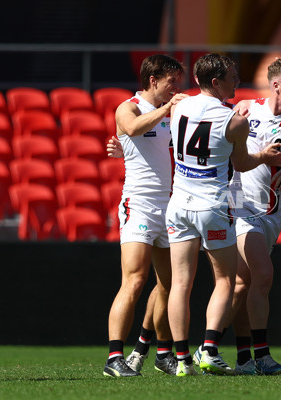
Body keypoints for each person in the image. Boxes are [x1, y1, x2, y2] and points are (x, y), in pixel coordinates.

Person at [193, 55, 281, 375]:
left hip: (272, 212)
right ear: (276, 85)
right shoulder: (245, 109)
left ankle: (228, 352)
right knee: (263, 273)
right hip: (239, 205)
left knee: (242, 284)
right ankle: (257, 354)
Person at [166, 53, 281, 377]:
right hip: (213, 205)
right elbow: (241, 164)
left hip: (178, 203)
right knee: (227, 281)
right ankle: (208, 349)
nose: (238, 80)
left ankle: (181, 361)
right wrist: (264, 155)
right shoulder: (234, 120)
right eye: (233, 76)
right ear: (217, 82)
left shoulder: (180, 106)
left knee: (180, 283)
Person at [103, 54, 188, 377]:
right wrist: (167, 109)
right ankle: (114, 357)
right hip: (139, 203)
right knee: (135, 280)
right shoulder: (130, 107)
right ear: (153, 80)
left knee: (169, 284)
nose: (176, 87)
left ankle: (162, 352)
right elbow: (132, 127)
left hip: (171, 204)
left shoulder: (173, 111)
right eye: (171, 81)